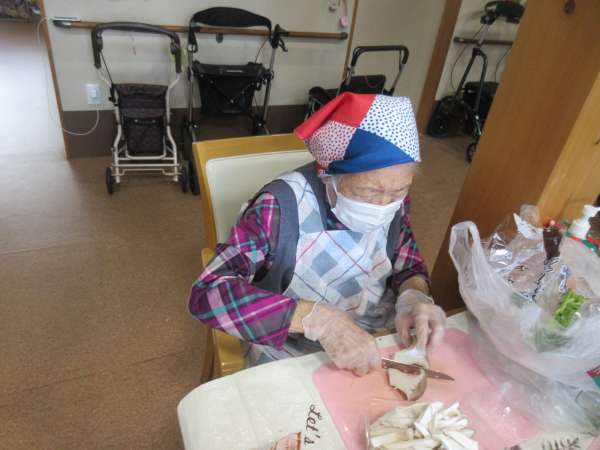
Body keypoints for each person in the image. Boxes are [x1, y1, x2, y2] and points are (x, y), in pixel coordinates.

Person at [188, 92, 446, 376]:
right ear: (330, 177)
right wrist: (319, 320)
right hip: (289, 344)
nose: (384, 204)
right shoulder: (279, 206)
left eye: (399, 191)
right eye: (369, 192)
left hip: (376, 333)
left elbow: (407, 264)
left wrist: (414, 297)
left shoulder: (393, 202)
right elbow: (208, 294)